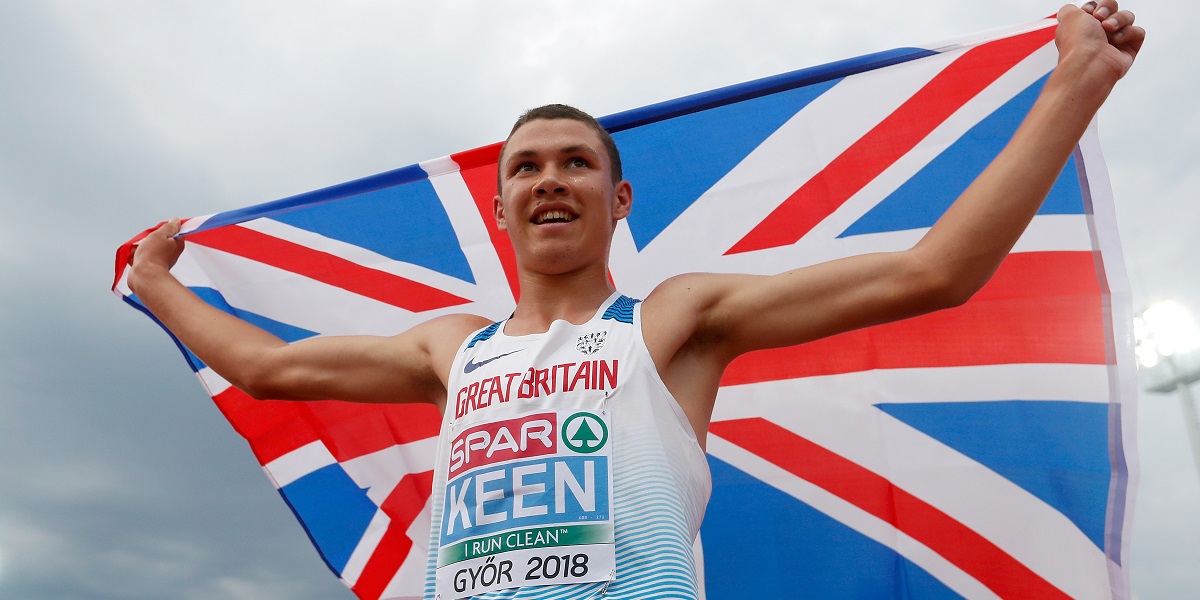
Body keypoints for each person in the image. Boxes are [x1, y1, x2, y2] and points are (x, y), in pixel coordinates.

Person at [129, 3, 1142, 598]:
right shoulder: (452, 350)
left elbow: (933, 273)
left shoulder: (673, 321)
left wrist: (1071, 88)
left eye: (577, 163)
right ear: (502, 207)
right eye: (527, 167)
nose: (550, 180)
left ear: (618, 201)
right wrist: (161, 283)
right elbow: (264, 368)